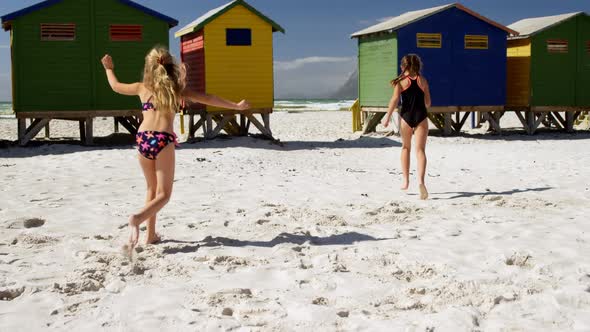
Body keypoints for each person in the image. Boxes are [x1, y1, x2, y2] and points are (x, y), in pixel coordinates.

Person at [101, 46, 250, 251]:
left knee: (151, 189)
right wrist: (236, 106)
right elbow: (209, 98)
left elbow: (115, 86)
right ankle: (136, 218)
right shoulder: (177, 91)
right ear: (170, 67)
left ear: (149, 68)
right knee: (164, 195)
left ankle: (150, 235)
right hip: (163, 139)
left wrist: (109, 68)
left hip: (143, 138)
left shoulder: (141, 88)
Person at [382, 54, 431, 200]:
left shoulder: (401, 82)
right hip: (421, 117)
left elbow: (394, 100)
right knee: (420, 150)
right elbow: (428, 103)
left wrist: (386, 117)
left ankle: (405, 180)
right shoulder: (423, 81)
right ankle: (421, 182)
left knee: (405, 148)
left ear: (403, 67)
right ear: (418, 65)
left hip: (406, 118)